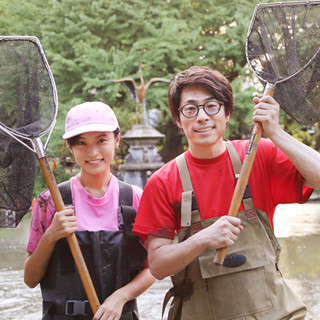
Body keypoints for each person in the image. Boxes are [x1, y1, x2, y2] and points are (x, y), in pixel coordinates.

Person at [133, 66, 320, 319]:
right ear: (178, 119)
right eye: (190, 109)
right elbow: (157, 266)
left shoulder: (258, 156)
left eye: (212, 106)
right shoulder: (163, 182)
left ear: (227, 112)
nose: (202, 117)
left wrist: (276, 133)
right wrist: (201, 239)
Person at [24, 101, 154, 320]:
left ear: (116, 140)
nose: (92, 152)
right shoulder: (51, 201)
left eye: (101, 140)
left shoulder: (134, 199)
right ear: (71, 147)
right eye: (81, 143)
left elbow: (152, 268)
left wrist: (121, 297)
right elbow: (30, 278)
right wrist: (51, 235)